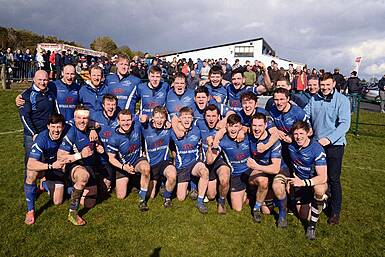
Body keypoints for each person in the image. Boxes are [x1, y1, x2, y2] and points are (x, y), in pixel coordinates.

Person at [304, 72, 350, 225]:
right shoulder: (314, 98)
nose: (324, 88)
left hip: (335, 145)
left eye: (327, 85)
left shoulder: (342, 100)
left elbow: (344, 124)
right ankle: (319, 201)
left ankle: (335, 212)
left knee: (333, 179)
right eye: (322, 85)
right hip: (317, 145)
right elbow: (305, 115)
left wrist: (329, 139)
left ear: (333, 85)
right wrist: (308, 127)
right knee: (317, 176)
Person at [57, 105, 105, 226]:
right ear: (74, 118)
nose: (82, 121)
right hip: (74, 166)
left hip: (90, 166)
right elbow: (60, 158)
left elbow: (98, 146)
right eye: (79, 118)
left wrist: (98, 144)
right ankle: (72, 213)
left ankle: (71, 190)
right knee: (83, 176)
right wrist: (79, 155)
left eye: (85, 118)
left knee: (90, 203)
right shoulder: (71, 132)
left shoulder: (91, 130)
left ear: (89, 119)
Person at [24, 114, 68, 225]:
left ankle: (44, 184)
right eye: (53, 127)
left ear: (63, 127)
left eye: (58, 127)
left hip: (60, 167)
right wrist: (51, 166)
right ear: (48, 126)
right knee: (31, 173)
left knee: (57, 201)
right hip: (48, 166)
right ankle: (30, 210)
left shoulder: (68, 131)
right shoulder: (42, 139)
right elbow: (30, 164)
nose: (56, 130)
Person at [287, 121, 328, 240]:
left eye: (301, 133)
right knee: (303, 216)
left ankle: (312, 227)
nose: (298, 137)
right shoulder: (291, 145)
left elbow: (323, 177)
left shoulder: (317, 149)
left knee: (319, 190)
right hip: (300, 183)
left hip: (313, 182)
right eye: (295, 134)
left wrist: (304, 182)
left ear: (308, 133)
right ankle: (321, 203)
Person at [206, 114, 252, 212]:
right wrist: (210, 146)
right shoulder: (222, 140)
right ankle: (222, 201)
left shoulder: (248, 136)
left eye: (236, 126)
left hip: (250, 171)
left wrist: (244, 131)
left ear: (240, 126)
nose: (233, 129)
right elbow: (210, 161)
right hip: (236, 174)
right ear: (226, 126)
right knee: (237, 208)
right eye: (231, 125)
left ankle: (250, 192)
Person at [107, 110, 151, 211]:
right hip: (124, 165)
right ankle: (133, 181)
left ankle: (142, 200)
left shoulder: (136, 124)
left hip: (138, 160)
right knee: (121, 196)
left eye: (128, 120)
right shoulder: (114, 138)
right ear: (118, 121)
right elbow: (111, 158)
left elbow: (148, 118)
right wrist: (123, 167)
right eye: (123, 120)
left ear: (132, 120)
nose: (126, 123)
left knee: (146, 169)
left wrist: (146, 117)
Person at [247, 113, 285, 226]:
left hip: (274, 170)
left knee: (280, 187)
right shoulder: (249, 136)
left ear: (265, 125)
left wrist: (256, 166)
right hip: (261, 173)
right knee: (264, 182)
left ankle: (283, 214)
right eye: (254, 125)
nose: (257, 129)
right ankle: (256, 208)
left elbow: (275, 169)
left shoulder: (274, 142)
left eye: (260, 125)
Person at [171, 107, 209, 214]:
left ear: (192, 118)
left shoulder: (197, 130)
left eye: (189, 117)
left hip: (194, 164)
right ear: (179, 119)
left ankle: (200, 202)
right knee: (180, 198)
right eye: (184, 117)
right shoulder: (173, 131)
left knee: (204, 172)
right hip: (182, 167)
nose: (187, 120)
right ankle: (192, 184)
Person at [18, 70, 57, 175]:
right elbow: (24, 117)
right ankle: (30, 186)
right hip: (32, 135)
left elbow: (56, 112)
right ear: (34, 80)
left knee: (47, 160)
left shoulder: (50, 93)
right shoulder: (27, 95)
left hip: (48, 134)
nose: (42, 82)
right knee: (31, 163)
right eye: (40, 80)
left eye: (45, 80)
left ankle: (45, 183)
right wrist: (33, 133)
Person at [197, 104, 230, 214]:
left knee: (224, 178)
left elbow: (238, 123)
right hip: (207, 160)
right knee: (211, 196)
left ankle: (221, 202)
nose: (211, 119)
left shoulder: (224, 127)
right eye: (208, 116)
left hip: (219, 160)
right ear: (204, 117)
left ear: (219, 117)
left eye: (213, 116)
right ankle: (213, 186)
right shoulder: (199, 123)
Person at [140, 106, 176, 207]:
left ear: (166, 118)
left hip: (164, 162)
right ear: (153, 118)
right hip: (151, 164)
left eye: (162, 117)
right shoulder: (145, 128)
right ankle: (160, 184)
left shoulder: (169, 129)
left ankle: (167, 198)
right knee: (151, 195)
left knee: (172, 175)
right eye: (157, 117)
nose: (159, 120)